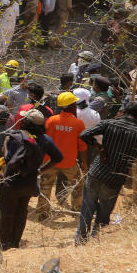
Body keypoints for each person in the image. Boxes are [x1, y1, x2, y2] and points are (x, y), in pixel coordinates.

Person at [77, 101, 137, 243]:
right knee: (103, 217)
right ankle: (95, 242)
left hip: (96, 173)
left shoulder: (108, 123)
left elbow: (84, 135)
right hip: (114, 180)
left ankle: (80, 241)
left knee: (86, 210)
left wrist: (100, 148)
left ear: (124, 112)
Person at [0, 109, 62, 250]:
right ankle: (15, 243)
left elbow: (9, 160)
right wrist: (40, 170)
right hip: (29, 183)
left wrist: (6, 146)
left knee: (7, 215)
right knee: (21, 212)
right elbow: (58, 157)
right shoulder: (46, 140)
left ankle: (4, 246)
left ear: (24, 122)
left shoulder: (15, 138)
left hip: (11, 183)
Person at [38, 92, 88, 220]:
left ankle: (43, 213)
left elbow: (44, 141)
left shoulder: (51, 120)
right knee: (78, 185)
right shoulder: (78, 124)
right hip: (69, 163)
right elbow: (82, 146)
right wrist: (84, 163)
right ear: (71, 106)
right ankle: (76, 210)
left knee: (45, 186)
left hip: (50, 162)